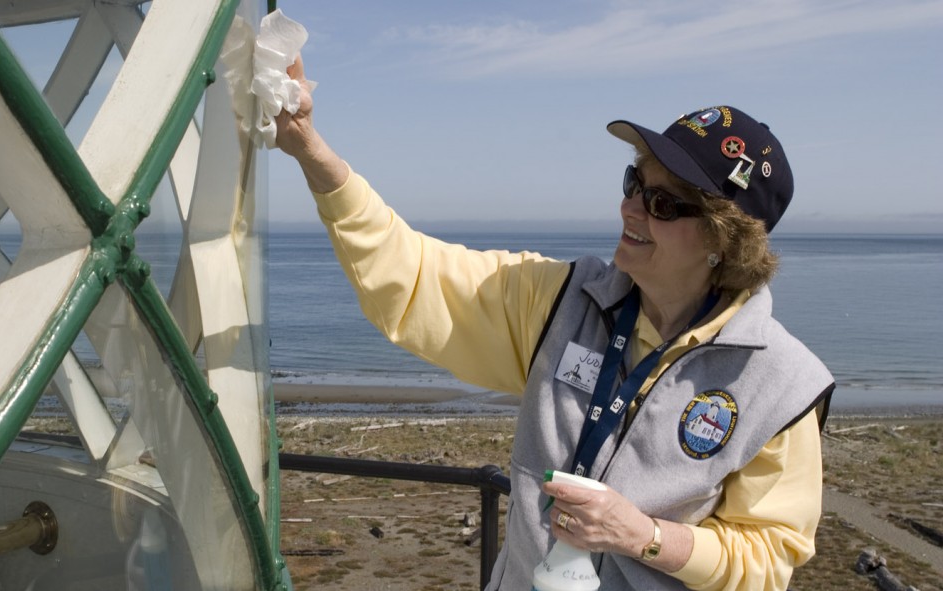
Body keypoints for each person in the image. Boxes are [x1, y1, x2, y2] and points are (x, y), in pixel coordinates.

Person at [275, 57, 834, 591]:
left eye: (662, 204)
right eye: (633, 183)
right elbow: (417, 274)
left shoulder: (782, 385)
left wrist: (644, 536)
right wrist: (310, 151)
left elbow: (767, 558)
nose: (631, 209)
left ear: (723, 239)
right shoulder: (562, 299)